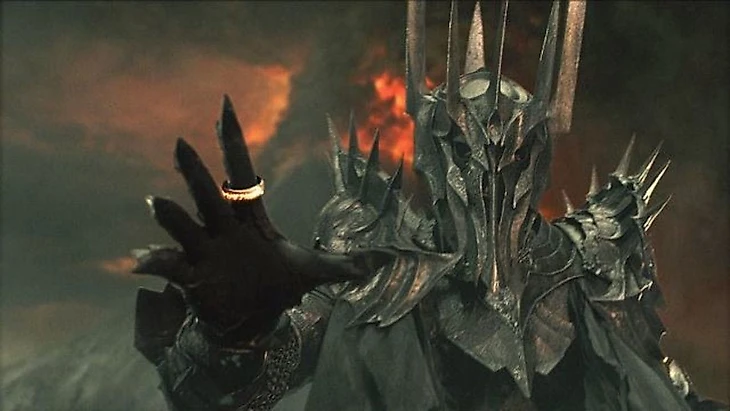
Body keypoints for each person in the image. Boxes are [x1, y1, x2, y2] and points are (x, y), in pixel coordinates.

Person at [131, 2, 726, 410]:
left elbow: (656, 385)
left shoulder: (596, 261)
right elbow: (246, 392)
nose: (492, 175)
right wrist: (233, 336)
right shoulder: (371, 263)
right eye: (465, 148)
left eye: (516, 152)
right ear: (434, 154)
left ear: (537, 152)